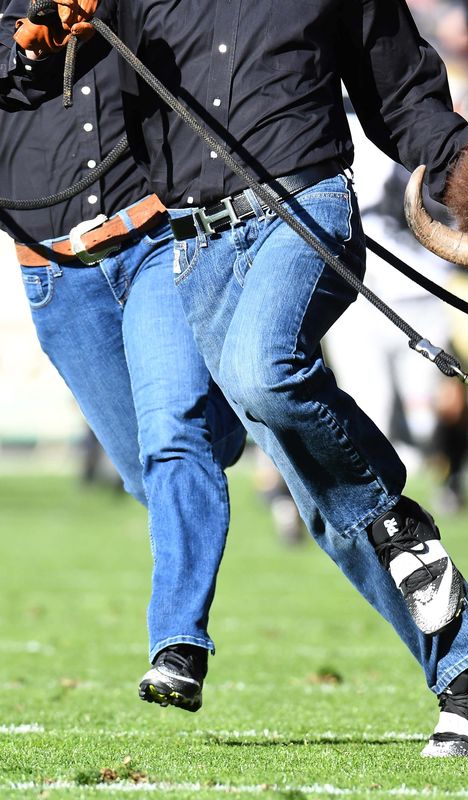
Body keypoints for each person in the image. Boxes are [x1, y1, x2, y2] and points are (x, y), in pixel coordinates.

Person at [7, 0, 468, 757]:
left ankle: (372, 526)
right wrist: (38, 33)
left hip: (303, 208)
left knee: (263, 374)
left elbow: (404, 99)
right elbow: (65, 82)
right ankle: (467, 667)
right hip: (194, 244)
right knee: (313, 493)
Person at [0, 5, 246, 712]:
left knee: (173, 437)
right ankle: (242, 402)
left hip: (155, 242)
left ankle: (178, 645)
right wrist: (25, 42)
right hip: (54, 272)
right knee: (155, 467)